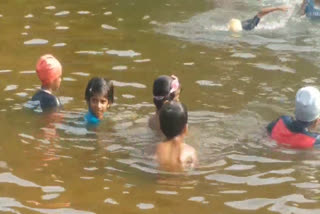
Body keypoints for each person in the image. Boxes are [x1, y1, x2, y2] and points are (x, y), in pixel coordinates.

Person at [155, 101, 197, 171]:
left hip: (160, 180)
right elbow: (196, 169)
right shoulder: (190, 151)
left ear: (160, 127)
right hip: (181, 180)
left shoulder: (155, 149)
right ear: (185, 129)